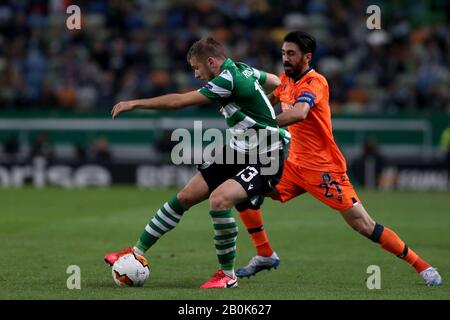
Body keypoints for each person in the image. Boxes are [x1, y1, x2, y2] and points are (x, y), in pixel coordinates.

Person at [235, 31, 442, 287]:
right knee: (242, 189)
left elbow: (299, 113)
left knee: (364, 225)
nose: (285, 58)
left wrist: (260, 125)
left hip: (325, 170)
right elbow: (267, 104)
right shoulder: (285, 80)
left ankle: (423, 267)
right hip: (293, 166)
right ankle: (265, 253)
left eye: (291, 54)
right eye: (283, 53)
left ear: (307, 57)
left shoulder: (316, 82)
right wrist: (247, 110)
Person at [104, 37, 287, 289]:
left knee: (219, 201)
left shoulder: (227, 79)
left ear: (211, 62)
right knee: (186, 196)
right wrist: (261, 104)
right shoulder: (243, 68)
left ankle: (227, 275)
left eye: (197, 68)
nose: (197, 74)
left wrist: (135, 103)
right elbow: (277, 82)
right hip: (238, 149)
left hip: (267, 155)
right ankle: (136, 250)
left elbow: (179, 101)